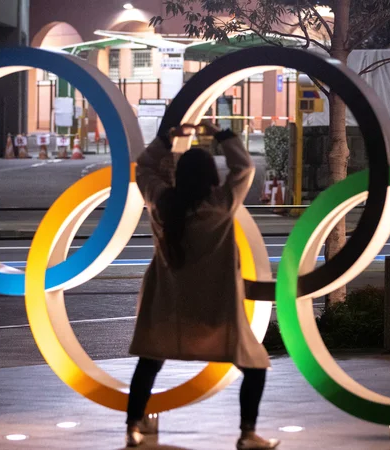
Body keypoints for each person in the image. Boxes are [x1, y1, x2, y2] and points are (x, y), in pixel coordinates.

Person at [126, 123, 279, 449]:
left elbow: (144, 168)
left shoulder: (161, 205)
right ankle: (248, 433)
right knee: (255, 366)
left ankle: (132, 428)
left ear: (180, 176)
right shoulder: (221, 205)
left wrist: (168, 138)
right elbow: (244, 167)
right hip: (216, 310)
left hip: (170, 308)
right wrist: (222, 134)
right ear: (211, 176)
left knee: (149, 362)